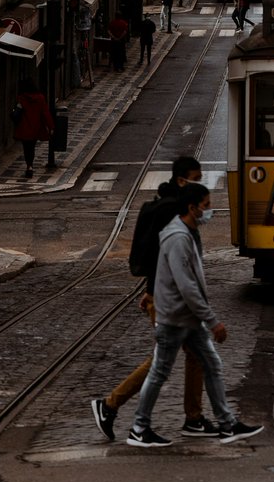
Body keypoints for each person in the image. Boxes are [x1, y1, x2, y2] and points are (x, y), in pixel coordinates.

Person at [127, 182, 264, 447]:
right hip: (176, 318)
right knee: (159, 372)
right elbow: (186, 285)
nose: (210, 210)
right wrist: (212, 321)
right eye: (206, 205)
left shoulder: (186, 233)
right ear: (192, 208)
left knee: (211, 364)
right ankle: (138, 428)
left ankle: (227, 423)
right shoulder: (178, 238)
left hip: (186, 319)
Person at [91, 156, 211, 442]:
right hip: (171, 297)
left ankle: (193, 418)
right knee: (163, 360)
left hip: (166, 293)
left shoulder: (172, 205)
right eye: (196, 178)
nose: (200, 184)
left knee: (196, 354)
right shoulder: (172, 211)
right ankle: (109, 406)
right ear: (182, 180)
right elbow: (165, 256)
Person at [12, 77, 54, 178]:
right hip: (35, 128)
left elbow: (17, 112)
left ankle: (29, 165)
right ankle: (30, 166)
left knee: (26, 148)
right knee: (32, 147)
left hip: (24, 127)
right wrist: (51, 126)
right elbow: (45, 113)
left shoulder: (21, 98)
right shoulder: (40, 98)